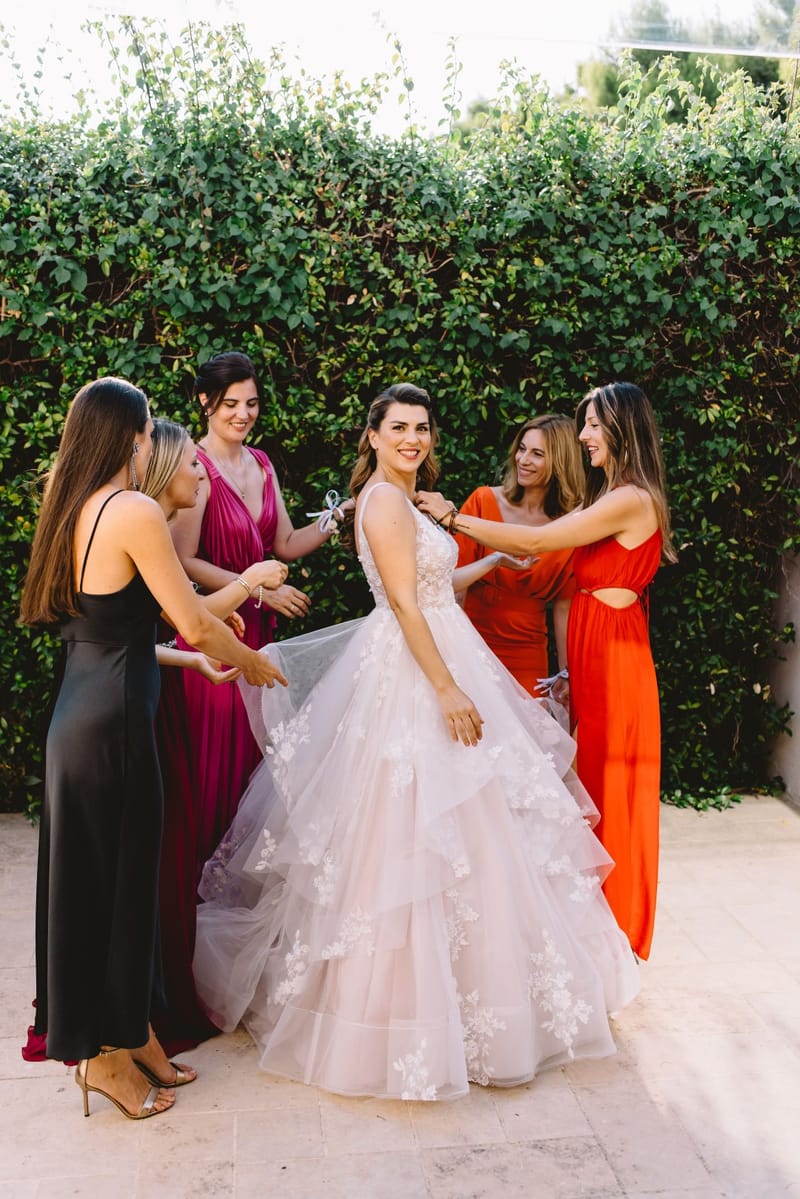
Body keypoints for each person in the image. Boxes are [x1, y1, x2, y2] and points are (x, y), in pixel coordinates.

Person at [192, 382, 639, 1102]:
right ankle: (398, 1012)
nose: (412, 439)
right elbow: (403, 603)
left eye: (422, 428)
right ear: (372, 435)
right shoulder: (382, 501)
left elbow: (432, 585)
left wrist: (485, 566)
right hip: (414, 669)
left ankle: (482, 998)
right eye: (398, 427)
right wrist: (446, 689)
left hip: (442, 645)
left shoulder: (406, 500)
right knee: (403, 833)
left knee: (480, 827)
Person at [18, 378, 286, 1121]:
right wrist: (250, 661)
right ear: (130, 437)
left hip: (87, 713)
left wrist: (192, 660)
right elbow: (192, 620)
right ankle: (102, 1057)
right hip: (113, 726)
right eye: (144, 432)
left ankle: (132, 1031)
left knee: (115, 884)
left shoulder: (74, 505)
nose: (149, 444)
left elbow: (115, 632)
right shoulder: (131, 509)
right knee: (111, 892)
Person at [417, 382, 676, 961]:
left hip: (614, 654)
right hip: (595, 648)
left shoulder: (631, 498)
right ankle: (594, 924)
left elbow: (538, 539)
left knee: (607, 786)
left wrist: (456, 519)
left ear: (621, 428)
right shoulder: (612, 495)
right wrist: (569, 670)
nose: (583, 435)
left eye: (593, 425)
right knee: (587, 783)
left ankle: (615, 930)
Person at [170, 351, 353, 872]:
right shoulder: (194, 468)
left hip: (262, 634)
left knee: (256, 760)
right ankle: (197, 883)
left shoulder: (263, 463)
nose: (243, 414)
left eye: (251, 403)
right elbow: (183, 559)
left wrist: (339, 518)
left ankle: (234, 884)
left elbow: (285, 543)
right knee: (214, 762)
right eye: (231, 403)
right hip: (214, 627)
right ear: (205, 402)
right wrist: (256, 591)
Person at [141, 419, 289, 1053]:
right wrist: (250, 592)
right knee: (156, 848)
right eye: (192, 465)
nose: (201, 473)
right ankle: (138, 1019)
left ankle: (156, 997)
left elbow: (149, 635)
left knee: (161, 848)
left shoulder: (135, 519)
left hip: (151, 680)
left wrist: (192, 658)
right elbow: (194, 621)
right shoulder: (142, 522)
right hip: (134, 703)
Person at [455, 415, 583, 697]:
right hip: (471, 640)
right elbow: (454, 588)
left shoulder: (570, 526)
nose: (523, 460)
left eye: (537, 454)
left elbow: (564, 607)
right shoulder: (483, 501)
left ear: (560, 463)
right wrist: (453, 653)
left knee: (527, 723)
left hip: (528, 652)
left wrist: (566, 674)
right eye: (522, 449)